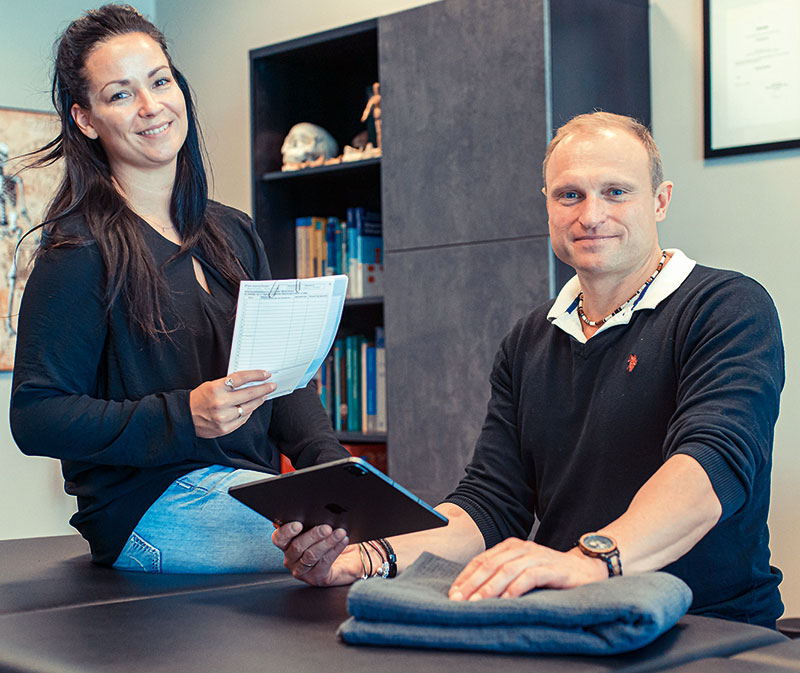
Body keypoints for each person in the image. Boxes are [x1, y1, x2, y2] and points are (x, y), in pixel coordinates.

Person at [274, 111, 785, 628]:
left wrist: (589, 563)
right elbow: (490, 505)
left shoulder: (728, 307)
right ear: (547, 207)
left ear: (659, 200)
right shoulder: (528, 340)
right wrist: (366, 558)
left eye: (615, 192)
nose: (590, 215)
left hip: (707, 624)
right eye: (569, 195)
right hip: (567, 619)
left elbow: (711, 467)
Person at [10, 4, 348, 573]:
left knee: (380, 534)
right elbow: (36, 415)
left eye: (160, 81)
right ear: (85, 119)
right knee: (343, 555)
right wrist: (183, 415)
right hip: (149, 507)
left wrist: (337, 477)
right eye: (120, 94)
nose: (151, 107)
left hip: (250, 485)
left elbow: (280, 381)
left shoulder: (233, 231)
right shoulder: (78, 250)